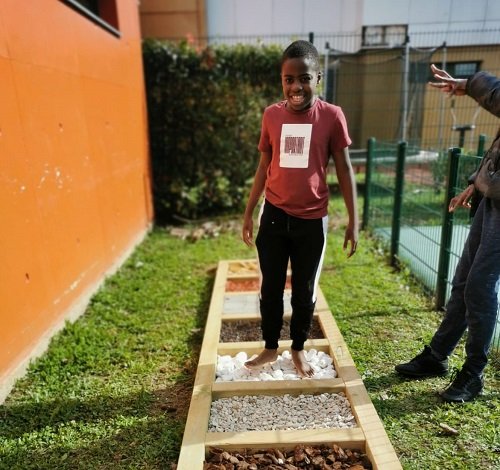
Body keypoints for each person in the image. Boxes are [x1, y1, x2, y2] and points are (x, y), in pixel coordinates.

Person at [241, 40, 359, 377]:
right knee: (271, 288)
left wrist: (354, 220)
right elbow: (263, 167)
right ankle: (269, 347)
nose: (296, 86)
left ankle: (297, 349)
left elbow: (345, 170)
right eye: (288, 79)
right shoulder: (271, 116)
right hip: (274, 216)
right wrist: (250, 211)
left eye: (304, 78)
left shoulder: (332, 117)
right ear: (282, 80)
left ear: (318, 77)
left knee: (305, 291)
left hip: (312, 221)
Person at [395, 64, 500, 402]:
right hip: (492, 200)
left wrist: (471, 83)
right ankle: (437, 356)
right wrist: (477, 183)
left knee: (481, 287)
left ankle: (473, 375)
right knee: (464, 282)